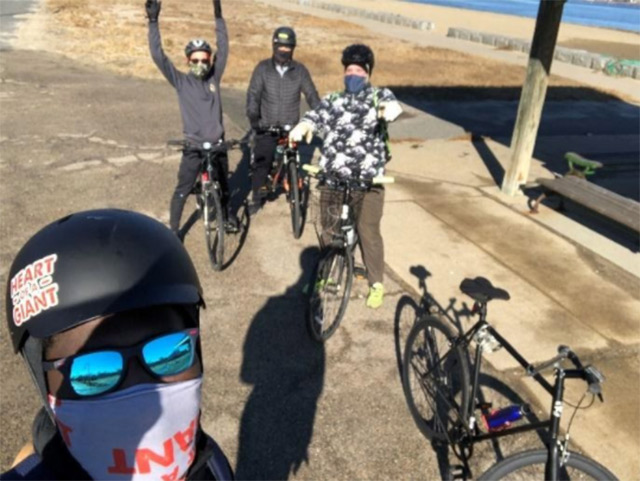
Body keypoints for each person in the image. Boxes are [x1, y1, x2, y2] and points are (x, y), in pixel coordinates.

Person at [2, 209, 234, 480]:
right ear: (43, 383)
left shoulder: (212, 465)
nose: (143, 398)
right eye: (91, 372)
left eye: (169, 351)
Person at [289, 44, 402, 309]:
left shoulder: (378, 95)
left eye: (359, 70)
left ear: (368, 72)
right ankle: (323, 276)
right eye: (349, 69)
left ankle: (376, 283)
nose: (353, 74)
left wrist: (390, 111)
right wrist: (306, 124)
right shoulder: (333, 100)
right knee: (329, 230)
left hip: (368, 181)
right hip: (333, 178)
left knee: (368, 231)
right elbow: (317, 115)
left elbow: (391, 105)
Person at [146, 0, 238, 237]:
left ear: (210, 60)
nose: (200, 64)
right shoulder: (181, 82)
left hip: (217, 145)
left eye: (204, 60)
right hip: (193, 147)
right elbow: (158, 56)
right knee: (182, 189)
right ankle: (174, 232)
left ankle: (227, 216)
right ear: (188, 61)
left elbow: (224, 47)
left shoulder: (213, 79)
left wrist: (218, 15)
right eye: (195, 60)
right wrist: (153, 22)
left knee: (224, 186)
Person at [246, 26, 320, 216]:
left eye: (288, 48)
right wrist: (254, 118)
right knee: (263, 161)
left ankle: (292, 185)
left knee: (293, 158)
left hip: (291, 126)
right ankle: (257, 197)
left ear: (293, 49)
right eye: (281, 47)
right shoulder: (262, 68)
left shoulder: (300, 71)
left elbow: (311, 95)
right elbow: (253, 95)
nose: (284, 51)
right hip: (267, 125)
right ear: (274, 45)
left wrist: (321, 114)